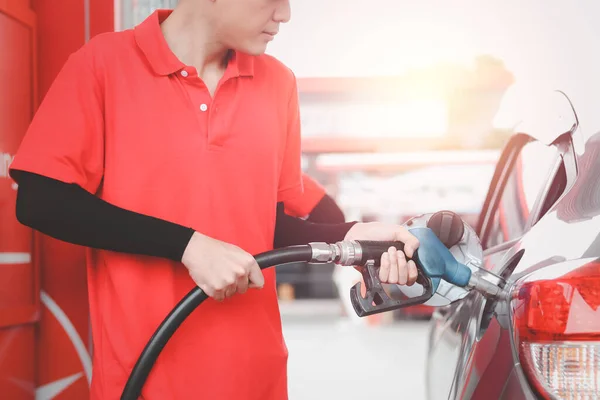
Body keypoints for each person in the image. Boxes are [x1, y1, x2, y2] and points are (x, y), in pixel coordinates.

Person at [9, 2, 420, 399]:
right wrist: (187, 245)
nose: (285, 14)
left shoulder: (278, 83)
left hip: (255, 376)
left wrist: (353, 234)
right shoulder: (103, 64)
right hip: (143, 377)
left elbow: (267, 226)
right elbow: (42, 199)